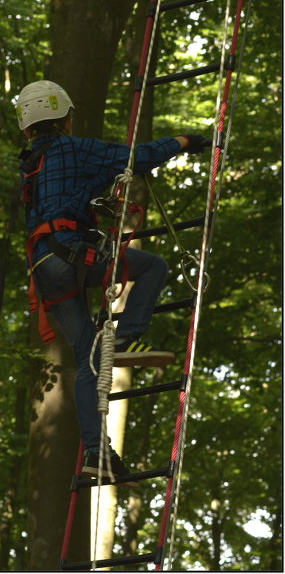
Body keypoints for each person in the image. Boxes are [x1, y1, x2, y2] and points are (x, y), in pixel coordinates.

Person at [16, 79, 210, 482]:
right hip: (72, 254)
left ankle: (95, 452)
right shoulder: (73, 147)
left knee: (88, 356)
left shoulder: (30, 167)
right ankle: (127, 336)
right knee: (152, 267)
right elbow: (136, 159)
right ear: (64, 117)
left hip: (45, 271)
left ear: (28, 126)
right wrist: (183, 141)